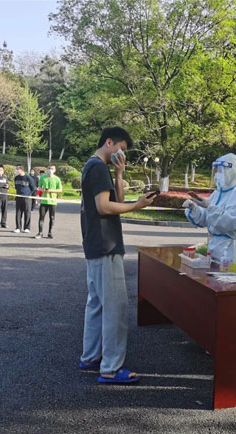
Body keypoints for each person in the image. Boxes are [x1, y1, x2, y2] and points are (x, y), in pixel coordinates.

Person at [79, 127, 154, 384]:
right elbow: (104, 207)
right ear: (109, 142)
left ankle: (90, 357)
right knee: (115, 309)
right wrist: (138, 205)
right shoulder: (99, 168)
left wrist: (120, 174)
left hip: (95, 245)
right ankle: (111, 368)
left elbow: (117, 201)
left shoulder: (94, 166)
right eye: (121, 149)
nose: (122, 154)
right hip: (106, 245)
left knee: (97, 305)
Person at [182, 153, 236, 268]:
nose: (216, 175)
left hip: (233, 250)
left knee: (230, 279)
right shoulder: (217, 193)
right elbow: (207, 218)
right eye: (216, 171)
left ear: (230, 170)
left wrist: (210, 207)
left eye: (220, 171)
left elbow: (232, 222)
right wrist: (194, 208)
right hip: (216, 248)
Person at [35, 166, 63, 239]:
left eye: (52, 169)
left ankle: (50, 233)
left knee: (52, 217)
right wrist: (42, 190)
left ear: (55, 170)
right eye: (49, 168)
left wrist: (51, 190)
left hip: (53, 201)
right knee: (41, 217)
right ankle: (40, 232)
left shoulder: (57, 179)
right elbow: (39, 187)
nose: (50, 170)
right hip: (44, 200)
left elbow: (60, 189)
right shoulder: (43, 177)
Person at [14, 166, 36, 233]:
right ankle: (18, 227)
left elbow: (33, 188)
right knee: (18, 213)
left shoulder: (28, 178)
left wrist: (29, 195)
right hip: (18, 197)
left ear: (21, 170)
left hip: (27, 198)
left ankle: (27, 228)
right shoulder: (16, 178)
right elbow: (16, 187)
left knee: (27, 213)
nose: (16, 171)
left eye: (17, 169)